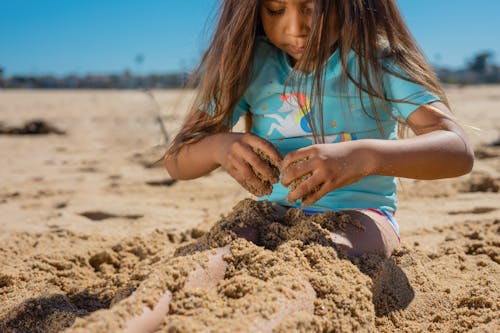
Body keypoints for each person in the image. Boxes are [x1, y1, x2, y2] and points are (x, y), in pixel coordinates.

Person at [124, 0, 474, 331]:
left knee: (308, 269)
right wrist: (218, 146)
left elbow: (456, 149)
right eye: (275, 9)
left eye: (312, 8)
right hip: (268, 214)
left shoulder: (379, 63)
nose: (296, 28)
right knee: (210, 264)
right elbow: (177, 160)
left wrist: (365, 157)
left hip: (362, 216)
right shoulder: (251, 64)